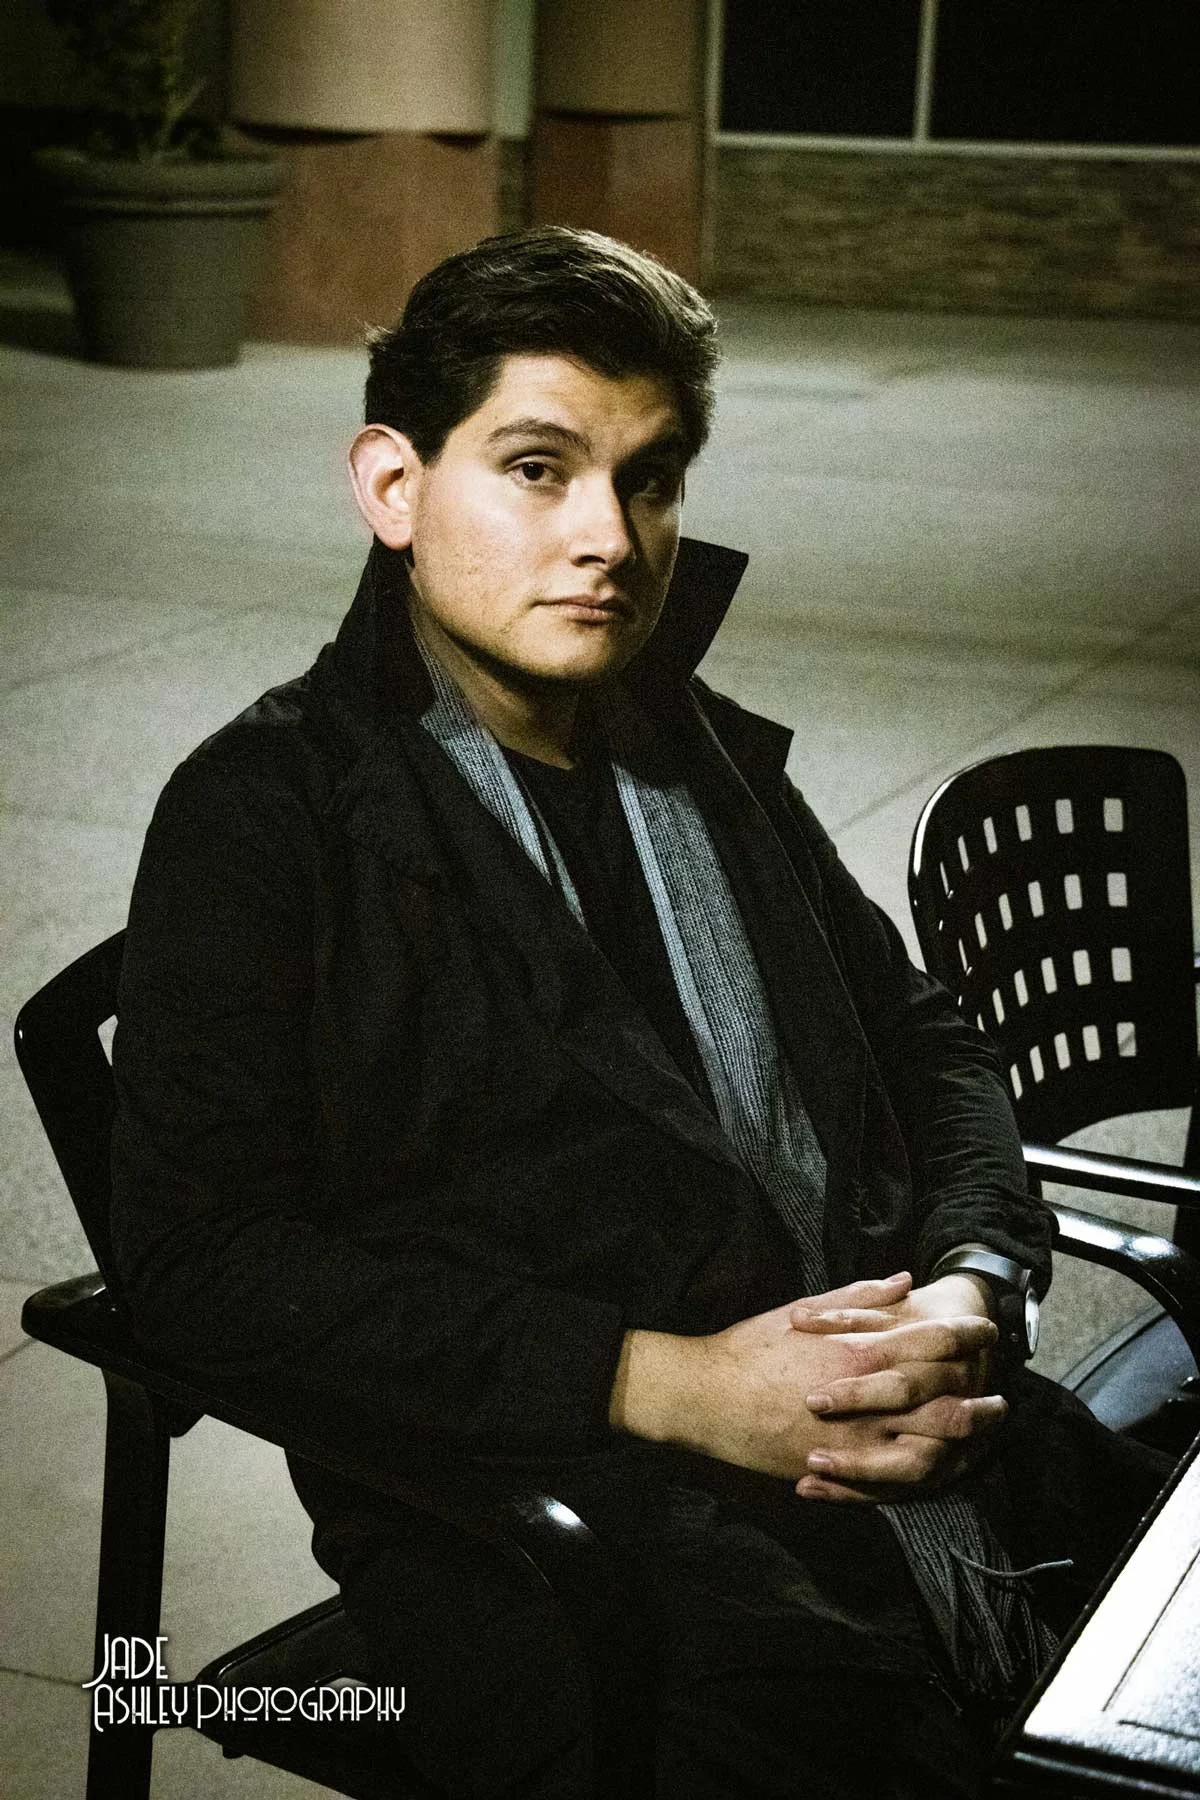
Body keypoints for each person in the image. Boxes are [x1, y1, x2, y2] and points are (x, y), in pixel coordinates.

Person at [111, 227, 1166, 1800]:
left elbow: (919, 1036)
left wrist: (973, 1279)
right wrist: (664, 1382)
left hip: (894, 1402)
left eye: (652, 477)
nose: (610, 535)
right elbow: (199, 1265)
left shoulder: (693, 746)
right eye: (538, 469)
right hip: (533, 1516)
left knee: (1160, 1652)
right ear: (393, 487)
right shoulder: (270, 815)